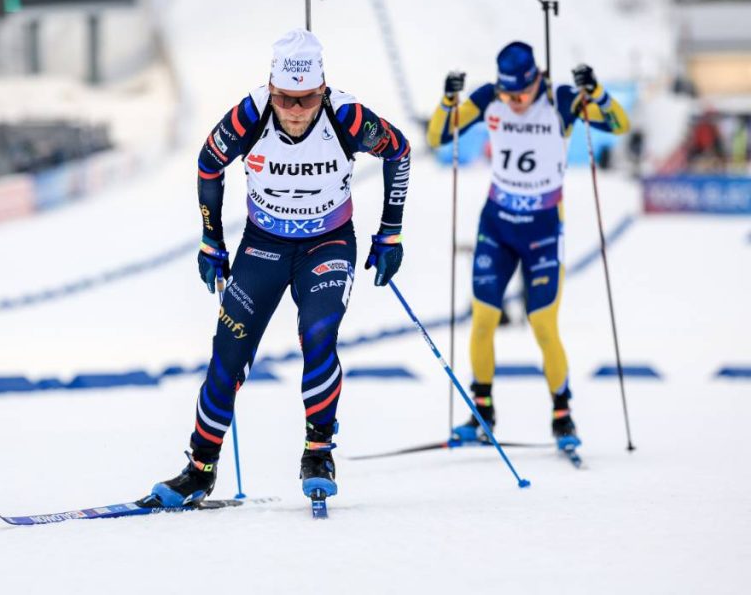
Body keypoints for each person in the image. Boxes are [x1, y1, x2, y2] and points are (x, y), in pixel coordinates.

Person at [144, 29, 412, 507]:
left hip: (327, 245)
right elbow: (208, 163)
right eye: (284, 98)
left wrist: (390, 231)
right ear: (271, 88)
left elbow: (399, 149)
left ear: (323, 89)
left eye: (306, 99)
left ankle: (318, 453)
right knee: (228, 353)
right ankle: (200, 469)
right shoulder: (250, 114)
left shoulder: (346, 115)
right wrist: (211, 239)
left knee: (318, 336)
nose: (294, 110)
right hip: (263, 246)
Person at [426, 41, 629, 450]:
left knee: (543, 324)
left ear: (536, 80)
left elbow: (618, 125)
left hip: (542, 230)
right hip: (498, 226)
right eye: (507, 95)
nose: (514, 103)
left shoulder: (561, 101)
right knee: (484, 318)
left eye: (520, 94)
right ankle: (482, 412)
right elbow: (438, 136)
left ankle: (562, 414)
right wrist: (448, 100)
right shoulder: (490, 97)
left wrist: (597, 92)